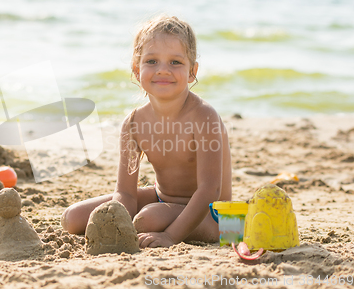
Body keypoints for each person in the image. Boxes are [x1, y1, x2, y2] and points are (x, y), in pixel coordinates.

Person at [61, 15, 232, 248]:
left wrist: (170, 236)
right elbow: (126, 192)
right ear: (136, 69)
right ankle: (149, 221)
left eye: (175, 62)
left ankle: (157, 224)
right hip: (161, 199)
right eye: (151, 61)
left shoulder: (204, 118)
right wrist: (118, 219)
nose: (163, 70)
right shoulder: (133, 124)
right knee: (74, 218)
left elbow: (209, 190)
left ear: (192, 71)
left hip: (215, 216)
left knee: (149, 218)